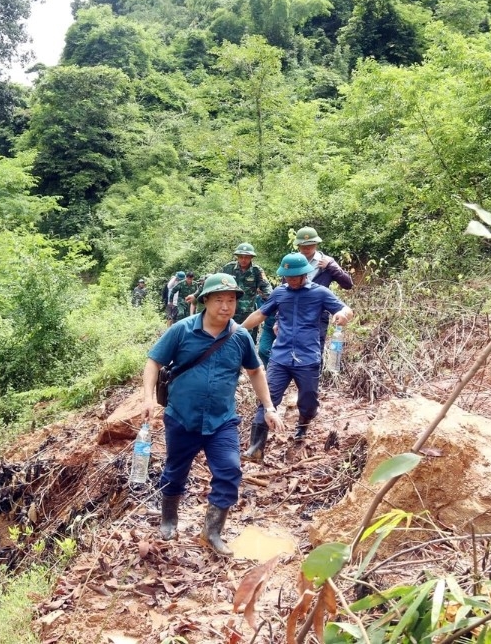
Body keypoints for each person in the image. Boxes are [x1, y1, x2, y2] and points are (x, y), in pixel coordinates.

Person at [142, 273, 281, 556]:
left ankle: (212, 531)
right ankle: (168, 519)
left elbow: (255, 371)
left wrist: (268, 407)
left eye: (231, 300)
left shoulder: (240, 336)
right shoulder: (182, 330)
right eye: (219, 300)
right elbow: (154, 361)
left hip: (222, 421)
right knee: (175, 470)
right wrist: (147, 398)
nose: (226, 306)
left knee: (230, 471)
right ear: (206, 301)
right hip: (182, 417)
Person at [240, 253, 353, 459]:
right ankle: (256, 448)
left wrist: (342, 315)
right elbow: (260, 314)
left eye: (295, 276)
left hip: (308, 357)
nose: (291, 280)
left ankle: (303, 426)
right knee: (268, 399)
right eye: (287, 276)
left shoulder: (321, 293)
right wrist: (237, 330)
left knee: (308, 401)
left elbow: (345, 309)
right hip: (280, 357)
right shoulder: (279, 293)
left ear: (305, 274)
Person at [294, 227, 353, 350]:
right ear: (298, 245)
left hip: (318, 314)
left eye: (310, 244)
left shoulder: (327, 261)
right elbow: (284, 288)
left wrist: (331, 267)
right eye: (303, 245)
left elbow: (348, 284)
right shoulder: (293, 261)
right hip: (294, 312)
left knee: (315, 350)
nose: (307, 248)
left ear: (316, 244)